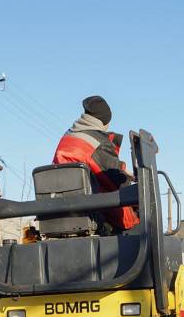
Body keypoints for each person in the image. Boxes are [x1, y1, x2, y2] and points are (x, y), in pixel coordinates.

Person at [53, 95, 138, 230]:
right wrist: (129, 177)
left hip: (61, 211)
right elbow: (116, 181)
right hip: (93, 213)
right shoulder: (99, 143)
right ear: (104, 121)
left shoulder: (68, 136)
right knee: (134, 212)